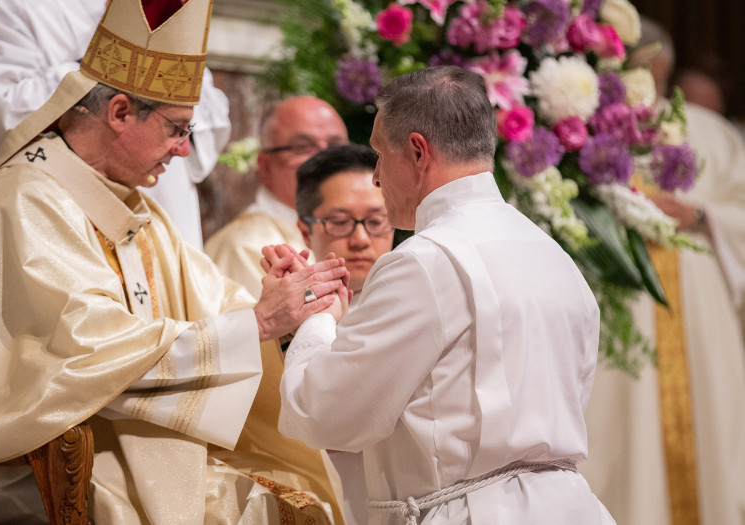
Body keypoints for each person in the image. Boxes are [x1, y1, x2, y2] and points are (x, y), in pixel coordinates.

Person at [0, 0, 346, 523]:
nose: (185, 151)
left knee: (304, 489)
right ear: (119, 113)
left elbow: (204, 297)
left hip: (130, 434)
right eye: (177, 129)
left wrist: (285, 307)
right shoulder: (28, 200)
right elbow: (82, 350)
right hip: (54, 453)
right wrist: (256, 322)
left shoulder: (125, 202)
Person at [273, 66, 614, 525]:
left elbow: (324, 413)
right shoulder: (554, 256)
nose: (375, 177)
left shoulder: (424, 261)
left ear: (417, 152)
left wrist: (316, 315)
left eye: (377, 154)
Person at [579, 18, 745, 525]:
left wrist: (698, 215)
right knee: (623, 431)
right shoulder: (584, 135)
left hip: (697, 302)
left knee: (709, 425)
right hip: (618, 296)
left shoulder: (709, 131)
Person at [0, 0, 230, 247]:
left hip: (163, 235)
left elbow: (202, 139)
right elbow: (7, 125)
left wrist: (159, 25)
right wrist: (125, 52)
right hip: (46, 249)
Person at [294, 143, 394, 525]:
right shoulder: (281, 310)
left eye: (376, 220)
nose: (360, 239)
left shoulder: (419, 302)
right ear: (305, 229)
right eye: (339, 222)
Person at [205, 95, 348, 297]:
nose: (326, 160)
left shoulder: (362, 230)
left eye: (337, 147)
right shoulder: (242, 247)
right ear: (264, 165)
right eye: (303, 147)